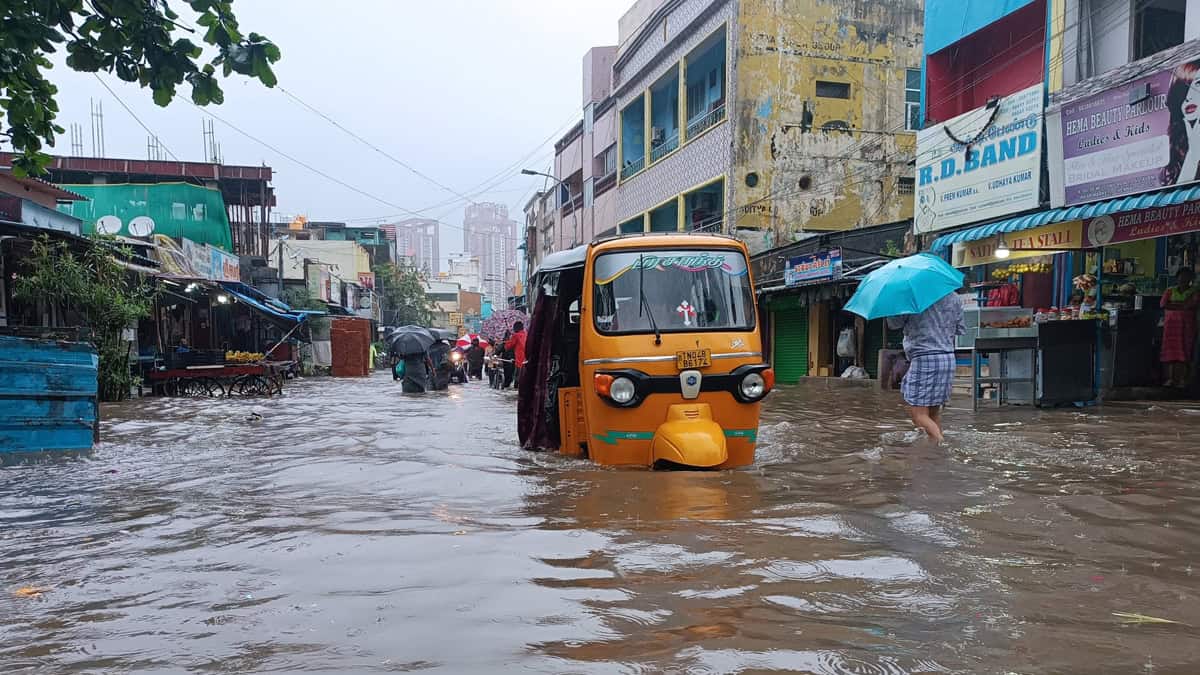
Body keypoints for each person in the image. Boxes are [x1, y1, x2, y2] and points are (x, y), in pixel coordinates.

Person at [886, 291, 965, 443]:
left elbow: (894, 324)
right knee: (933, 414)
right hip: (947, 357)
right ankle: (932, 454)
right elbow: (959, 328)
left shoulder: (911, 297)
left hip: (925, 358)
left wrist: (893, 304)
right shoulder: (954, 297)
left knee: (919, 415)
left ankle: (942, 446)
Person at [1161, 268, 1199, 388]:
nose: (1183, 279)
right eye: (1181, 276)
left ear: (1191, 279)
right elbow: (1163, 304)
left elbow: (1190, 305)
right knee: (1170, 353)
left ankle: (1183, 380)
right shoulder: (1169, 290)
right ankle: (1171, 379)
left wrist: (1174, 305)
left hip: (1187, 327)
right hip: (1171, 327)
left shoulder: (1195, 291)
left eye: (1186, 277)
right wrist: (1181, 306)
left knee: (1186, 352)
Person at [504, 321, 527, 388]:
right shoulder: (526, 334)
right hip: (527, 359)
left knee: (517, 378)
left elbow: (508, 346)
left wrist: (508, 337)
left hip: (520, 360)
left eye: (514, 328)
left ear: (516, 328)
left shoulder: (516, 335)